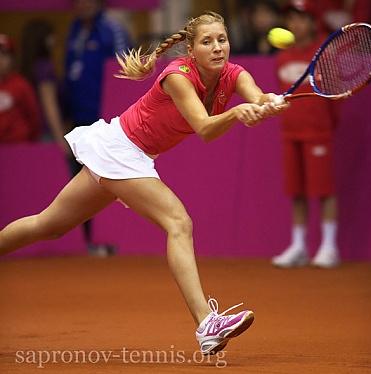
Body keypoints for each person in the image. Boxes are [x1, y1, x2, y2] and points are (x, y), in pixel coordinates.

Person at [0, 11, 288, 355]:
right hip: (122, 148)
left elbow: (255, 96)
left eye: (222, 40)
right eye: (207, 42)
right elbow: (205, 128)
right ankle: (205, 323)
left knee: (49, 225)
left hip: (125, 152)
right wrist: (236, 114)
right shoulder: (177, 76)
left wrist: (267, 103)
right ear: (190, 50)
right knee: (178, 222)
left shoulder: (234, 74)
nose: (217, 48)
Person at [271, 0, 341, 269]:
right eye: (292, 19)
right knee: (296, 191)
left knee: (324, 191)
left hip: (318, 133)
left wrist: (325, 126)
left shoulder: (324, 52)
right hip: (291, 133)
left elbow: (335, 99)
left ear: (313, 23)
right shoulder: (283, 56)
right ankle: (299, 246)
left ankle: (329, 246)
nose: (296, 24)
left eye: (302, 19)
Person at [64, 0, 133, 254]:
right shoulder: (74, 29)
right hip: (78, 121)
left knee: (107, 180)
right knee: (80, 182)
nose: (83, 4)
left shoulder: (112, 29)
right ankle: (87, 241)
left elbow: (125, 73)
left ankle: (107, 239)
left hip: (104, 121)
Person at [20, 20, 70, 154]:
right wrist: (61, 140)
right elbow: (50, 107)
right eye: (52, 36)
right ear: (44, 40)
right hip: (48, 134)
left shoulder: (29, 66)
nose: (54, 41)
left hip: (34, 131)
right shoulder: (45, 68)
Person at [0, 34, 41, 144]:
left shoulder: (20, 85)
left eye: (4, 55)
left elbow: (34, 117)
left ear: (12, 59)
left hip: (18, 146)